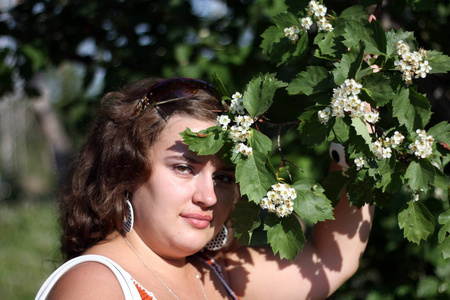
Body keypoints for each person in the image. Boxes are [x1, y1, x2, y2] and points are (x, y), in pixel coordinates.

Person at [35, 77, 374, 300]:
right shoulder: (98, 287)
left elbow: (332, 259)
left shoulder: (217, 275)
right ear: (126, 171)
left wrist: (357, 134)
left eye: (224, 177)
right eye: (184, 168)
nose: (208, 197)